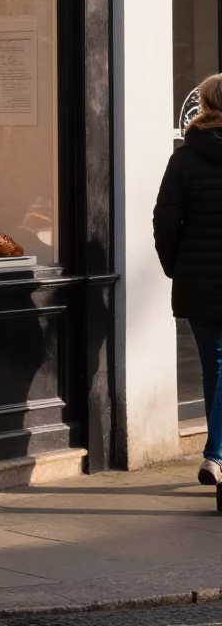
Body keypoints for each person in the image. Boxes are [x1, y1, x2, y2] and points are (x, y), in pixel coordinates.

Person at [154, 72, 222, 489]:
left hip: (197, 280)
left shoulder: (184, 156)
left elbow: (165, 219)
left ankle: (217, 453)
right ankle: (216, 454)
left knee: (214, 366)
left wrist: (174, 266)